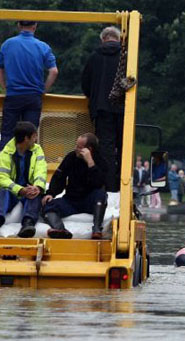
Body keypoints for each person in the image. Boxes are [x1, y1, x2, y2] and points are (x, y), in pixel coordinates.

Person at [0, 20, 58, 152]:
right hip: (33, 97)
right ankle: (28, 169)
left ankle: (2, 169)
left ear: (19, 26)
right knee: (30, 136)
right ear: (35, 26)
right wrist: (43, 90)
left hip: (13, 95)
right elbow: (53, 71)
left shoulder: (8, 44)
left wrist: (4, 86)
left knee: (7, 135)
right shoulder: (43, 47)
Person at [0, 122, 47, 238]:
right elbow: (0, 178)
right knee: (3, 190)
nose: (36, 139)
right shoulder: (5, 153)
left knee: (35, 194)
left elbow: (41, 170)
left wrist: (37, 187)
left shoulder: (37, 150)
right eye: (34, 136)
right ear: (26, 138)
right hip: (13, 191)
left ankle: (28, 225)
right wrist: (19, 189)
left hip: (29, 191)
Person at [42, 133, 108, 239]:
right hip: (71, 200)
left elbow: (99, 183)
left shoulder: (100, 161)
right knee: (48, 205)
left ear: (89, 149)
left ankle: (96, 229)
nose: (75, 148)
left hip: (90, 201)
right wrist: (51, 193)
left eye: (79, 147)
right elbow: (59, 177)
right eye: (76, 145)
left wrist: (90, 163)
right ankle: (60, 229)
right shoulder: (71, 157)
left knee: (101, 195)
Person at [81, 26, 123, 192]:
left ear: (102, 39)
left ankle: (108, 186)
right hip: (122, 109)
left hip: (101, 109)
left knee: (105, 149)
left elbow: (86, 83)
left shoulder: (95, 57)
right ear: (119, 39)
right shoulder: (126, 57)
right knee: (123, 147)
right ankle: (122, 184)